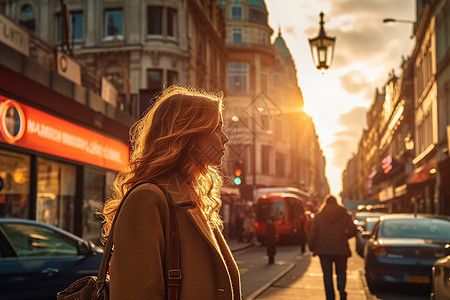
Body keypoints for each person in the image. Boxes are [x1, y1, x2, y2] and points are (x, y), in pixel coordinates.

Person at [100, 85, 241, 299]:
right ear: (188, 132)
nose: (225, 138)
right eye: (216, 127)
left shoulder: (191, 196)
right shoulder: (147, 199)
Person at [308, 195, 357, 300]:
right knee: (341, 272)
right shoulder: (344, 214)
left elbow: (313, 234)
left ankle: (330, 297)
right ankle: (342, 291)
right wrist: (344, 237)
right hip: (341, 249)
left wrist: (312, 247)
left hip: (324, 250)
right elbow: (353, 230)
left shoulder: (319, 216)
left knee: (327, 276)